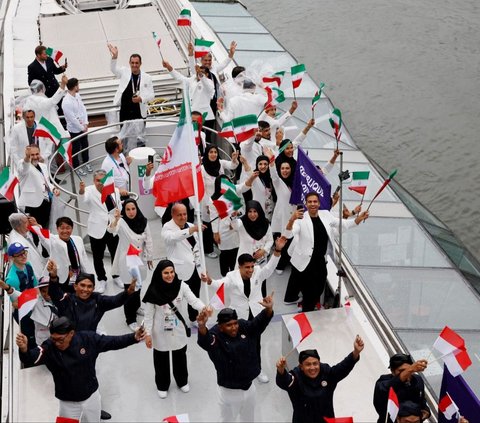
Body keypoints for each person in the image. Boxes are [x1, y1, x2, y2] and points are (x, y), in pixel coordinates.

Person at [16, 316, 146, 423]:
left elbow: (113, 342)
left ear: (71, 334)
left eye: (60, 340)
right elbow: (30, 358)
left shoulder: (88, 339)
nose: (57, 343)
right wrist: (24, 349)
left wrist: (134, 337)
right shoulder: (49, 347)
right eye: (53, 339)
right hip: (67, 403)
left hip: (91, 397)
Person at [201, 236, 287, 383]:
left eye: (252, 266)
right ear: (239, 266)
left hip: (256, 314)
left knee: (256, 343)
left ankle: (257, 369)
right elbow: (220, 284)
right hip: (239, 317)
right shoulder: (231, 277)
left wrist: (277, 250)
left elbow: (270, 267)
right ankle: (241, 368)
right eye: (247, 267)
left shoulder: (258, 272)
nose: (250, 270)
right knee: (240, 345)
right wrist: (209, 281)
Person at [284, 192, 369, 311]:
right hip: (305, 264)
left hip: (320, 262)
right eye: (310, 202)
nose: (312, 204)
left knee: (318, 289)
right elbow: (288, 234)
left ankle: (308, 308)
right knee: (309, 294)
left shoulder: (326, 215)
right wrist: (292, 219)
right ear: (306, 204)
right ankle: (307, 312)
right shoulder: (300, 219)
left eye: (315, 201)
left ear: (319, 203)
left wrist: (358, 219)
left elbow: (343, 224)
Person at [196, 294, 275, 422]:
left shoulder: (243, 326)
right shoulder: (216, 335)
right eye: (229, 325)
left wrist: (268, 309)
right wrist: (201, 326)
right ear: (221, 327)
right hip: (229, 392)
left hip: (249, 388)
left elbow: (257, 324)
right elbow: (206, 342)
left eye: (235, 323)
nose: (234, 327)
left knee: (249, 419)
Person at [143, 260, 207, 399]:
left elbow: (193, 300)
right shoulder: (152, 291)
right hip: (159, 331)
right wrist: (147, 334)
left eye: (171, 272)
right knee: (161, 358)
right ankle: (162, 385)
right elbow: (148, 316)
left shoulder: (181, 285)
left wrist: (204, 308)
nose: (170, 275)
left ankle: (182, 381)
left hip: (177, 328)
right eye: (166, 273)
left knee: (180, 355)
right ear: (159, 274)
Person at [276, 335, 365, 423]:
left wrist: (355, 353)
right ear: (301, 366)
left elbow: (342, 368)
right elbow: (285, 381)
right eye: (308, 364)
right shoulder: (296, 377)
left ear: (319, 362)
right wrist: (281, 370)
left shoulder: (326, 373)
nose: (312, 368)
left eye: (315, 363)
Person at [47, 260, 136, 333]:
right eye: (82, 285)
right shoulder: (67, 299)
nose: (85, 289)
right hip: (68, 343)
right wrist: (53, 277)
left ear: (93, 288)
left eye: (89, 286)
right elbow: (54, 294)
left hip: (89, 341)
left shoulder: (98, 300)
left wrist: (128, 292)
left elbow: (115, 301)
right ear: (75, 286)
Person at [107, 199, 153, 330]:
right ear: (124, 211)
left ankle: (137, 307)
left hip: (140, 260)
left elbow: (149, 240)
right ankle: (130, 318)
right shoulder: (121, 222)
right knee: (129, 289)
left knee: (138, 286)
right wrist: (115, 219)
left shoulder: (143, 221)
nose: (131, 212)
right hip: (127, 261)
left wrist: (150, 257)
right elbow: (111, 230)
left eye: (133, 209)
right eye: (128, 209)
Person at [78, 172, 122, 293]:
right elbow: (84, 198)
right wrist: (81, 191)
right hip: (97, 229)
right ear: (93, 181)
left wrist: (117, 219)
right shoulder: (89, 190)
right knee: (98, 257)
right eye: (97, 180)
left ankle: (116, 275)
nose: (100, 183)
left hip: (112, 227)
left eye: (102, 180)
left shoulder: (114, 190)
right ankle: (101, 279)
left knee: (115, 253)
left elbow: (118, 208)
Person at [161, 203, 203, 323]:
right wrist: (190, 230)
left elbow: (197, 247)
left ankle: (193, 318)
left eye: (185, 214)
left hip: (195, 268)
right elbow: (172, 238)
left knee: (195, 295)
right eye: (179, 215)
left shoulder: (189, 225)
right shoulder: (167, 227)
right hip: (177, 270)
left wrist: (202, 268)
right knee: (175, 298)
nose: (183, 217)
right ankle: (172, 320)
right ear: (172, 215)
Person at [107, 44, 154, 151]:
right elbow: (113, 69)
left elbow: (152, 95)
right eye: (132, 63)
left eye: (137, 63)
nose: (134, 65)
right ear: (129, 63)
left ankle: (141, 158)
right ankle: (124, 159)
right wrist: (114, 57)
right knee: (123, 139)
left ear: (140, 64)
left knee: (140, 139)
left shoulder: (147, 77)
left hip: (139, 113)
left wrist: (141, 99)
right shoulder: (124, 72)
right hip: (125, 112)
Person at [201, 145, 239, 258]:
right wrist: (208, 204)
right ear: (207, 154)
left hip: (222, 200)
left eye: (215, 152)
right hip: (208, 200)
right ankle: (208, 249)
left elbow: (233, 166)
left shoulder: (221, 163)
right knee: (208, 225)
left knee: (221, 222)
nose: (213, 154)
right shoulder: (202, 169)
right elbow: (202, 189)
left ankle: (217, 242)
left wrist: (234, 159)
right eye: (211, 152)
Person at [373, 353, 431, 423]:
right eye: (401, 371)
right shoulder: (383, 384)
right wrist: (410, 369)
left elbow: (422, 400)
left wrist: (426, 411)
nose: (407, 374)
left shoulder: (417, 380)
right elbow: (388, 387)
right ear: (392, 371)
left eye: (409, 370)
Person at [231, 200, 274, 291]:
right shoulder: (242, 222)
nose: (252, 214)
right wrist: (233, 217)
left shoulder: (265, 224)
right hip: (245, 262)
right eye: (250, 211)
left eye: (255, 211)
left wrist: (264, 251)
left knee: (260, 284)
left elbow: (270, 240)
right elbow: (234, 226)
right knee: (243, 286)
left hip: (260, 262)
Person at [17, 145, 60, 228]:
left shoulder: (43, 166)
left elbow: (46, 182)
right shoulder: (23, 164)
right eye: (32, 155)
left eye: (37, 154)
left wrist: (54, 189)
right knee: (35, 230)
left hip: (46, 202)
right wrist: (27, 157)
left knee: (45, 227)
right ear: (27, 155)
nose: (35, 157)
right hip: (32, 205)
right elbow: (24, 168)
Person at [46, 216, 93, 292]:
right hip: (62, 277)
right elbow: (43, 236)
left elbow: (84, 258)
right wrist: (36, 225)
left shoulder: (78, 239)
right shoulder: (53, 241)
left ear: (72, 228)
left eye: (68, 228)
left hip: (77, 274)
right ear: (57, 229)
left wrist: (87, 274)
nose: (65, 231)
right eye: (62, 228)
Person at [62, 77, 91, 175]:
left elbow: (83, 109)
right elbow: (72, 118)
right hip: (74, 129)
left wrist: (86, 123)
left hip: (83, 126)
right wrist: (82, 128)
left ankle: (86, 162)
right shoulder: (66, 102)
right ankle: (76, 167)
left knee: (85, 145)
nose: (79, 87)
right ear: (74, 86)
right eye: (78, 85)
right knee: (76, 148)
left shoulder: (78, 96)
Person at [8, 213, 48, 278]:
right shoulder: (18, 244)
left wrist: (37, 225)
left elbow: (46, 236)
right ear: (19, 226)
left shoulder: (20, 231)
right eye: (26, 222)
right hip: (36, 277)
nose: (29, 223)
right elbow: (27, 265)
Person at [30, 276, 58, 344]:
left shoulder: (61, 300)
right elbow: (20, 297)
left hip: (59, 340)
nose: (47, 294)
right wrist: (9, 289)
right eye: (43, 291)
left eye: (49, 291)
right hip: (43, 342)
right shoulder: (35, 302)